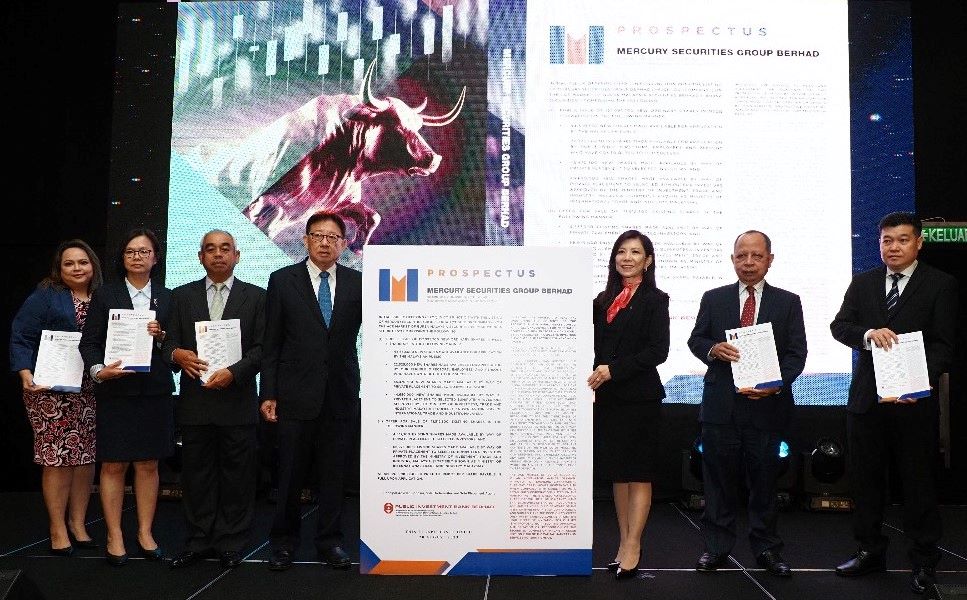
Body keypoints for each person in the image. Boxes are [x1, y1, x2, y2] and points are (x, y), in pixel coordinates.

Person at [830, 212, 958, 594]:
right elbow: (840, 326)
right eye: (887, 240)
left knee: (918, 484)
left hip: (913, 403)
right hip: (867, 402)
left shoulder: (941, 284)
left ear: (919, 242)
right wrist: (867, 333)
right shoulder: (864, 282)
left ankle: (924, 560)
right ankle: (869, 551)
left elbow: (945, 345)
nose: (894, 247)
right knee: (867, 484)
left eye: (902, 240)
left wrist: (915, 378)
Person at [687, 230, 807, 577]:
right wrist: (713, 349)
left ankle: (767, 549)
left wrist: (775, 385)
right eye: (742, 256)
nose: (749, 263)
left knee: (765, 484)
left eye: (756, 256)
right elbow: (696, 339)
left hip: (767, 408)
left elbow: (797, 353)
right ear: (733, 259)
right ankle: (715, 547)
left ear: (770, 259)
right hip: (721, 407)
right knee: (718, 484)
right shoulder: (714, 298)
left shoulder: (788, 301)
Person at [260, 211, 362, 571]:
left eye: (333, 237)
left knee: (334, 476)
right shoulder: (282, 280)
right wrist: (268, 392)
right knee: (289, 474)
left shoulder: (357, 282)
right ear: (305, 240)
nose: (324, 243)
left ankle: (330, 541)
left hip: (340, 394)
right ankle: (283, 543)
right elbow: (271, 342)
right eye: (318, 235)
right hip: (294, 394)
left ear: (343, 244)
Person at [163, 230, 265, 570]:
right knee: (196, 476)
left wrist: (235, 372)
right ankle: (198, 540)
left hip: (237, 401)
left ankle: (231, 542)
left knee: (238, 477)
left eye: (225, 249)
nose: (218, 254)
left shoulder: (257, 297)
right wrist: (176, 354)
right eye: (210, 249)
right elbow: (167, 344)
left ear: (237, 256)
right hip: (195, 403)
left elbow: (263, 348)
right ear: (200, 257)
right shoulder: (181, 296)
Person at [79, 228, 174, 566]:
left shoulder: (168, 297)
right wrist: (98, 370)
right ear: (122, 258)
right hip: (116, 391)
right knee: (114, 464)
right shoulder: (105, 295)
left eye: (144, 251)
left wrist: (162, 337)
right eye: (131, 251)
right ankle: (115, 534)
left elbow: (176, 347)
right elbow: (89, 342)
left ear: (155, 258)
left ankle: (145, 532)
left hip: (154, 392)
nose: (137, 257)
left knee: (148, 463)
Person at [10, 240, 104, 555]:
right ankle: (57, 528)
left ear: (93, 265)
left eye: (83, 262)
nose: (77, 268)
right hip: (50, 391)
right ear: (59, 268)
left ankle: (78, 524)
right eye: (69, 263)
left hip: (91, 389)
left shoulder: (103, 296)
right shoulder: (46, 295)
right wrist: (24, 371)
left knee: (85, 459)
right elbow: (21, 335)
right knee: (58, 459)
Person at [588, 230, 670, 581]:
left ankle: (634, 545)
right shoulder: (602, 300)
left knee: (638, 473)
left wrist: (613, 370)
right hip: (609, 400)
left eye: (635, 252)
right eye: (621, 251)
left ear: (647, 260)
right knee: (618, 475)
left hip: (640, 398)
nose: (627, 258)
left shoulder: (655, 300)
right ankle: (623, 543)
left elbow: (658, 351)